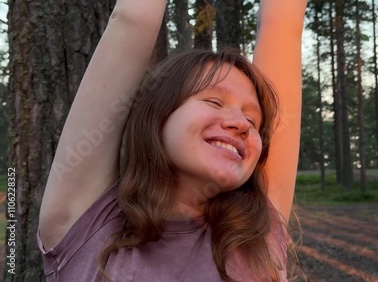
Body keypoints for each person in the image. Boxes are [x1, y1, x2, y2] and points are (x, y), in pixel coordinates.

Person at [37, 0, 306, 281]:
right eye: (214, 102)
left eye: (253, 121)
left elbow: (282, 26)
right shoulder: (88, 225)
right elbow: (134, 20)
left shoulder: (255, 236)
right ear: (159, 115)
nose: (240, 124)